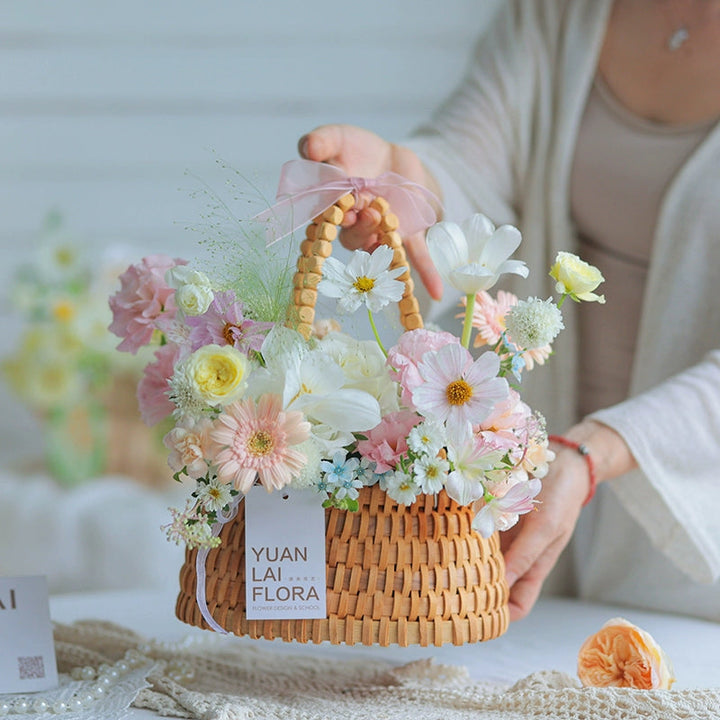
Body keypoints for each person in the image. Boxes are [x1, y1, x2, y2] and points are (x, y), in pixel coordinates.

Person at [297, 0, 720, 622]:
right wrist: (399, 172)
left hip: (689, 528)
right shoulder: (557, 15)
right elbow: (470, 158)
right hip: (536, 503)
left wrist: (594, 453)